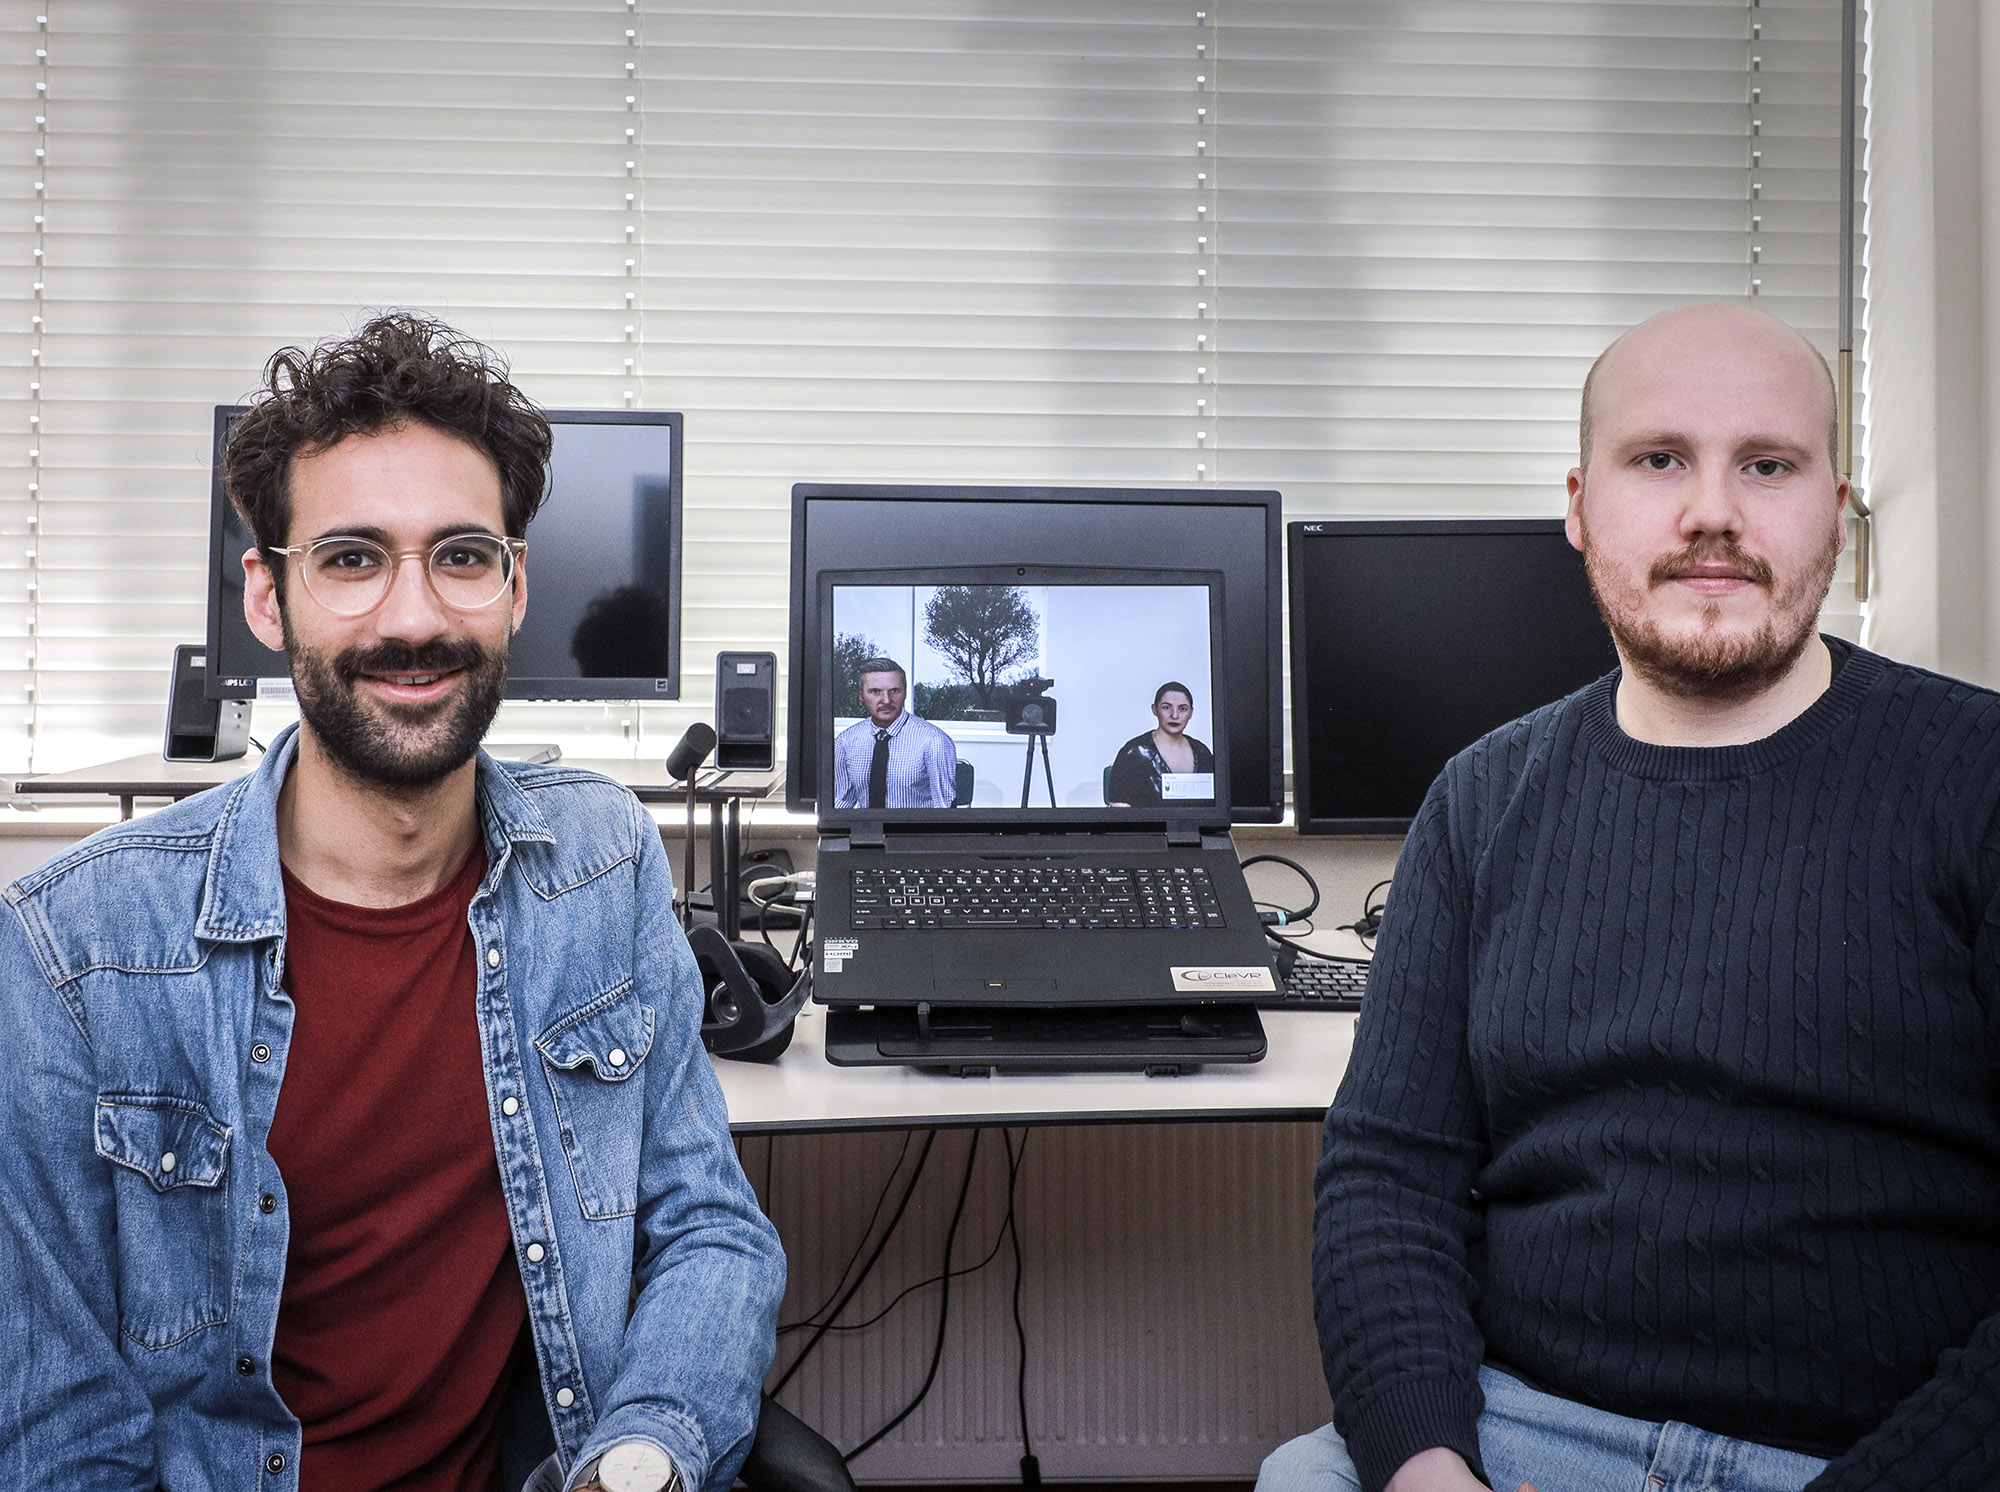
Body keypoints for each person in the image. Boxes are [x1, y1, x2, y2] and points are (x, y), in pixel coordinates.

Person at [0, 313, 784, 1492]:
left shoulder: (602, 859)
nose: (413, 618)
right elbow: (59, 1427)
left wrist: (643, 1457)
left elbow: (709, 1228)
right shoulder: (73, 949)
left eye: (460, 555)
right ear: (268, 599)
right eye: (352, 558)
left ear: (515, 587)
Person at [1259, 303, 2000, 1492]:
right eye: (1659, 459)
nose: (1711, 510)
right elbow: (1387, 1176)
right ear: (1577, 503)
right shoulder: (1480, 800)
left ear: (1836, 510)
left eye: (1766, 464)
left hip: (1869, 1455)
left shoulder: (1974, 779)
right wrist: (1426, 1468)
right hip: (1526, 1429)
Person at [831, 657, 959, 808]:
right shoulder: (845, 741)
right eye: (875, 692)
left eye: (894, 691)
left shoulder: (934, 741)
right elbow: (842, 801)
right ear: (861, 696)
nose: (886, 700)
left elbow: (944, 808)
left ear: (905, 693)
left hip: (918, 831)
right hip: (867, 830)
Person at [1106, 680, 1216, 806]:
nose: (1174, 715)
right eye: (1166, 707)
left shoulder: (1202, 752)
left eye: (1182, 709)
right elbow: (1120, 809)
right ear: (1155, 709)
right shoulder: (1133, 753)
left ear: (1191, 712)